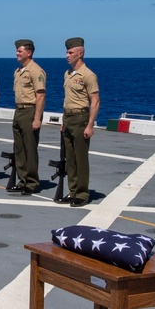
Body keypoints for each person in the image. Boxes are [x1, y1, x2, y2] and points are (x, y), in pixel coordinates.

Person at [62, 37, 99, 206]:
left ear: (80, 53)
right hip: (68, 117)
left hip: (80, 118)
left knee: (80, 158)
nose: (67, 55)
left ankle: (82, 194)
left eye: (70, 52)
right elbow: (67, 98)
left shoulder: (88, 75)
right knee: (70, 158)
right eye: (67, 52)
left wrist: (90, 125)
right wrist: (64, 121)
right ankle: (73, 191)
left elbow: (95, 101)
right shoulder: (68, 74)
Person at [8, 39, 46, 194]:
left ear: (29, 53)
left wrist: (37, 118)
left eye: (20, 51)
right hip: (19, 111)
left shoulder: (36, 71)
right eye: (17, 50)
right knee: (19, 149)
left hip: (30, 111)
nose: (17, 53)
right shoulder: (18, 71)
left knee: (29, 148)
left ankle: (32, 182)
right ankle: (22, 179)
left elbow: (41, 95)